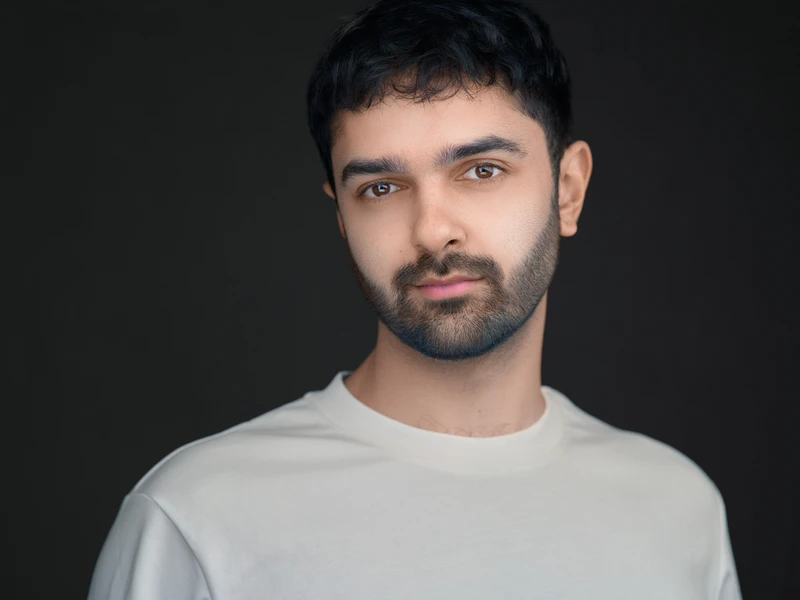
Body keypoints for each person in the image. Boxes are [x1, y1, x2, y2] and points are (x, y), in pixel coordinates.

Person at [87, 0, 742, 598]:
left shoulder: (678, 507)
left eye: (482, 171)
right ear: (341, 216)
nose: (432, 229)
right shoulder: (196, 518)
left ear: (567, 189)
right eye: (380, 187)